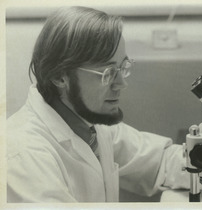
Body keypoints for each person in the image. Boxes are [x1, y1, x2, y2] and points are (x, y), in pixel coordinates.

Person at [6, 6, 190, 202]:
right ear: (59, 76)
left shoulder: (90, 125)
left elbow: (161, 161)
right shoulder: (24, 156)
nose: (122, 84)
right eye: (108, 73)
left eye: (122, 68)